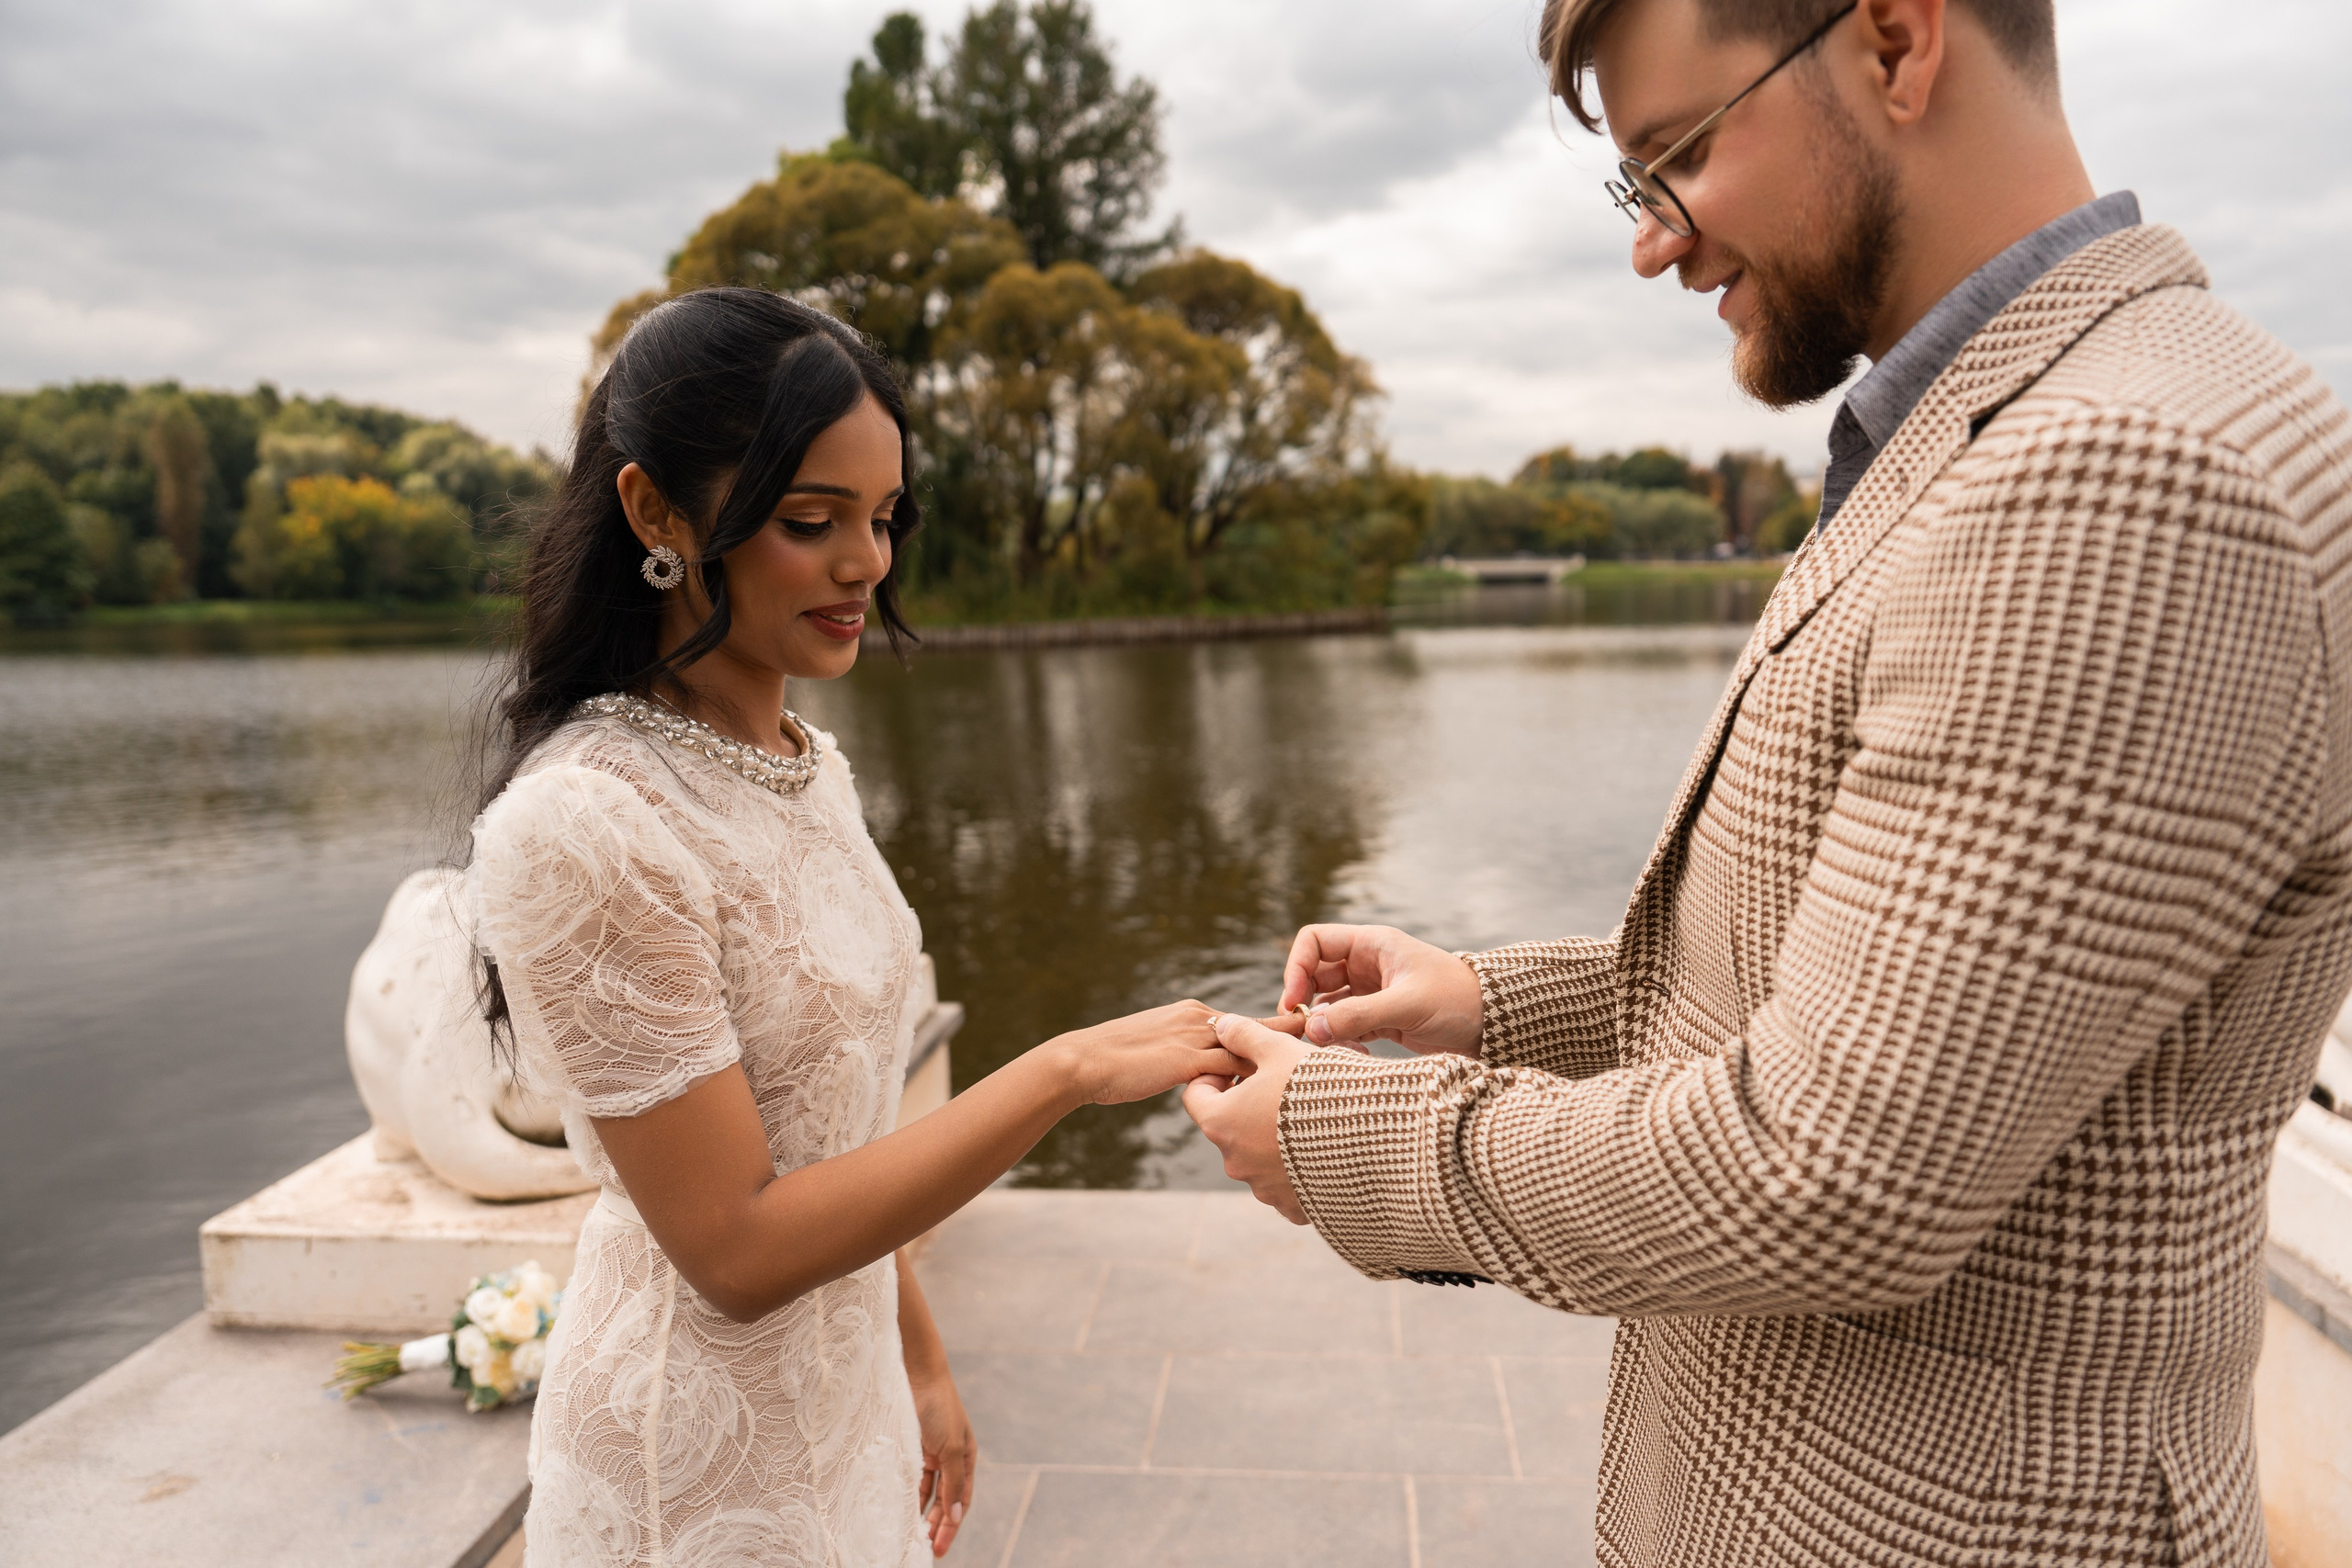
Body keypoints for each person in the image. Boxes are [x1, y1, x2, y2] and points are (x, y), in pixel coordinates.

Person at [1185, 1, 2352, 1563]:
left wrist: (1350, 1142)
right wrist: (1487, 1001)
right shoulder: (2017, 416)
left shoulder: (2117, 473)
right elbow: (1888, 989)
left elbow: (1831, 1170)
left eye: (1677, 153)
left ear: (1893, 38)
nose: (1653, 245)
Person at [466, 288, 1243, 1566]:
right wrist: (1065, 1071)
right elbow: (734, 1244)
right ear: (657, 514)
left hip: (843, 1402)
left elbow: (829, 1125)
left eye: (882, 521)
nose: (867, 565)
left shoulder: (802, 763)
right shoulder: (586, 821)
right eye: (809, 521)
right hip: (693, 1456)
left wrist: (919, 1359)